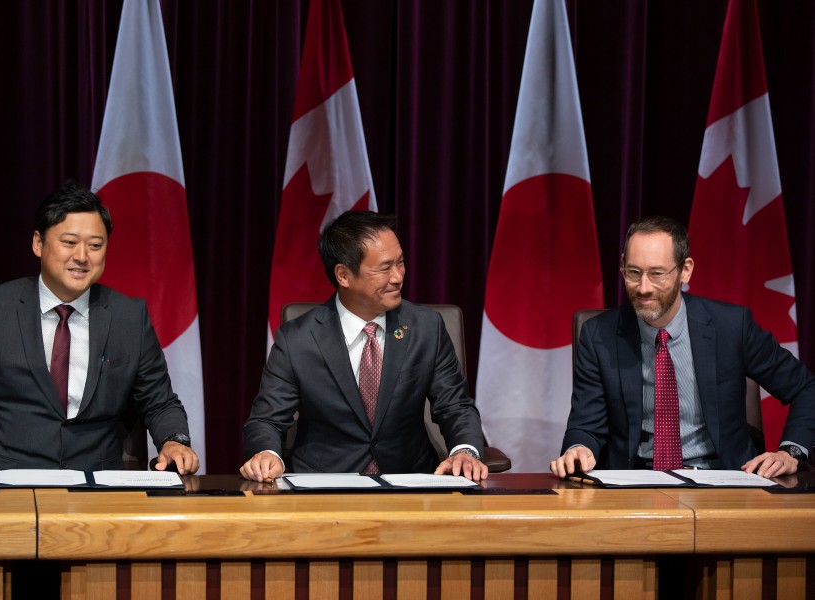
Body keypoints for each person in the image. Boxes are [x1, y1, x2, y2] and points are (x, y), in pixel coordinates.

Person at [0, 181, 199, 479]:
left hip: (98, 486)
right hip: (5, 482)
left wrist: (174, 441)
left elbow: (159, 401)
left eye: (95, 245)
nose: (82, 256)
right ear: (38, 243)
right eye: (69, 242)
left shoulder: (128, 316)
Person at [551, 215, 815, 479]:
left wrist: (790, 452)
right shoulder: (600, 335)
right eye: (633, 273)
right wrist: (579, 448)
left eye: (656, 274)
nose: (643, 288)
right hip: (634, 479)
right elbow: (586, 425)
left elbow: (806, 387)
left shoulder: (731, 327)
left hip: (724, 477)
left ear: (685, 270)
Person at [241, 211, 487, 482]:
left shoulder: (426, 328)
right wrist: (267, 454)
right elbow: (267, 420)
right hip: (325, 487)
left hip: (410, 482)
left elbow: (455, 406)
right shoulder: (297, 338)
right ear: (344, 275)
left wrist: (465, 450)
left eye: (401, 262)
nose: (397, 277)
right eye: (384, 268)